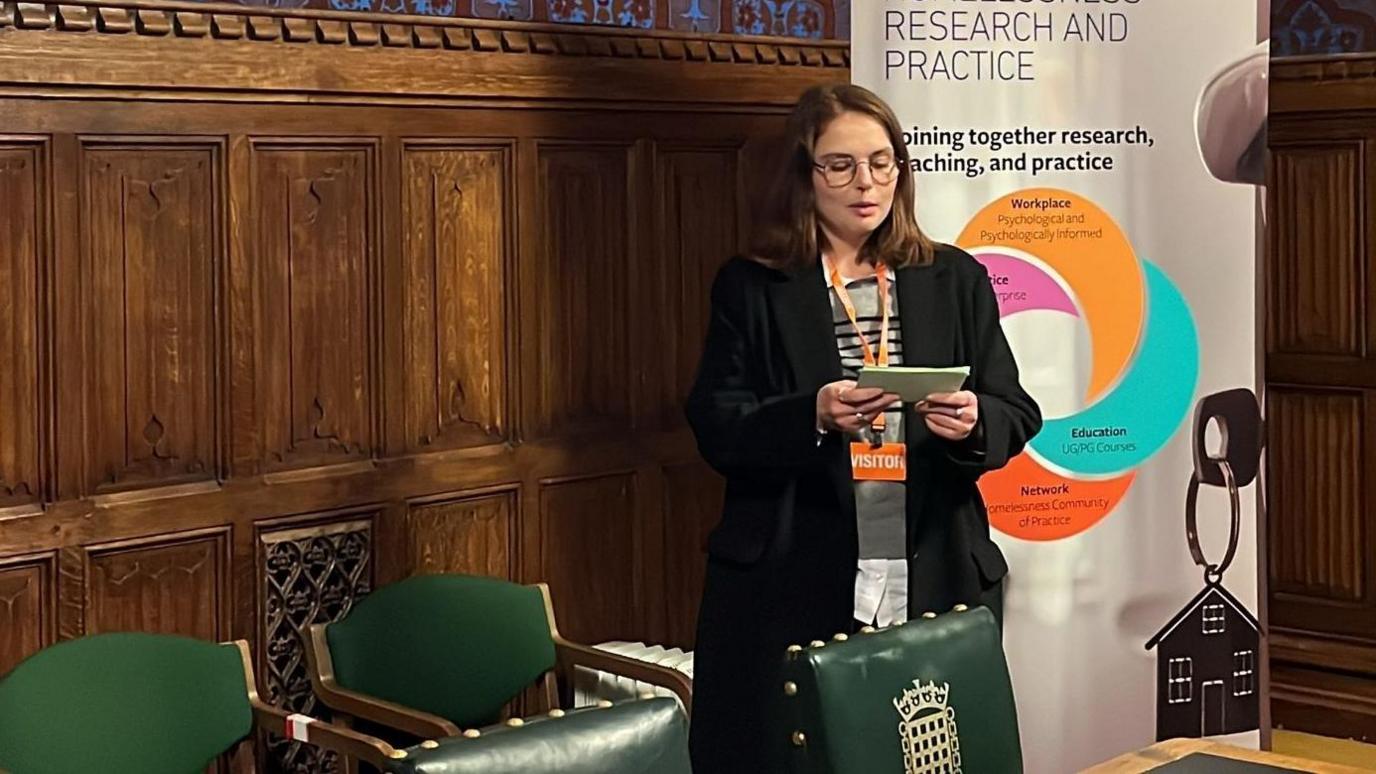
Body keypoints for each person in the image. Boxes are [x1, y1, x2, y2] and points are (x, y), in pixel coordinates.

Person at [683, 83, 1042, 772]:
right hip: (797, 571)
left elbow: (1015, 408)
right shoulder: (753, 286)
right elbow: (716, 425)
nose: (865, 183)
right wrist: (812, 414)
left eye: (882, 162)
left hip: (932, 559)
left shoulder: (953, 277)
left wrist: (972, 421)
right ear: (804, 175)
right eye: (839, 165)